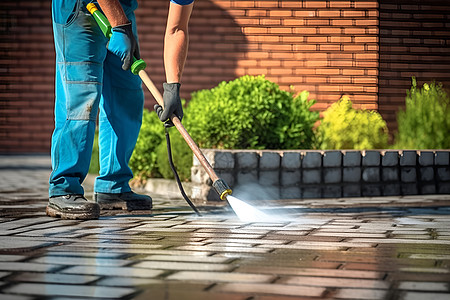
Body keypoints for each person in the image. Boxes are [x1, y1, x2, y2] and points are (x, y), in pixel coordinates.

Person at [47, 0, 194, 220]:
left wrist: (172, 87)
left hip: (121, 11)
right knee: (82, 95)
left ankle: (113, 187)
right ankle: (64, 188)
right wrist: (120, 27)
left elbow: (177, 28)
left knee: (126, 94)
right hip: (79, 7)